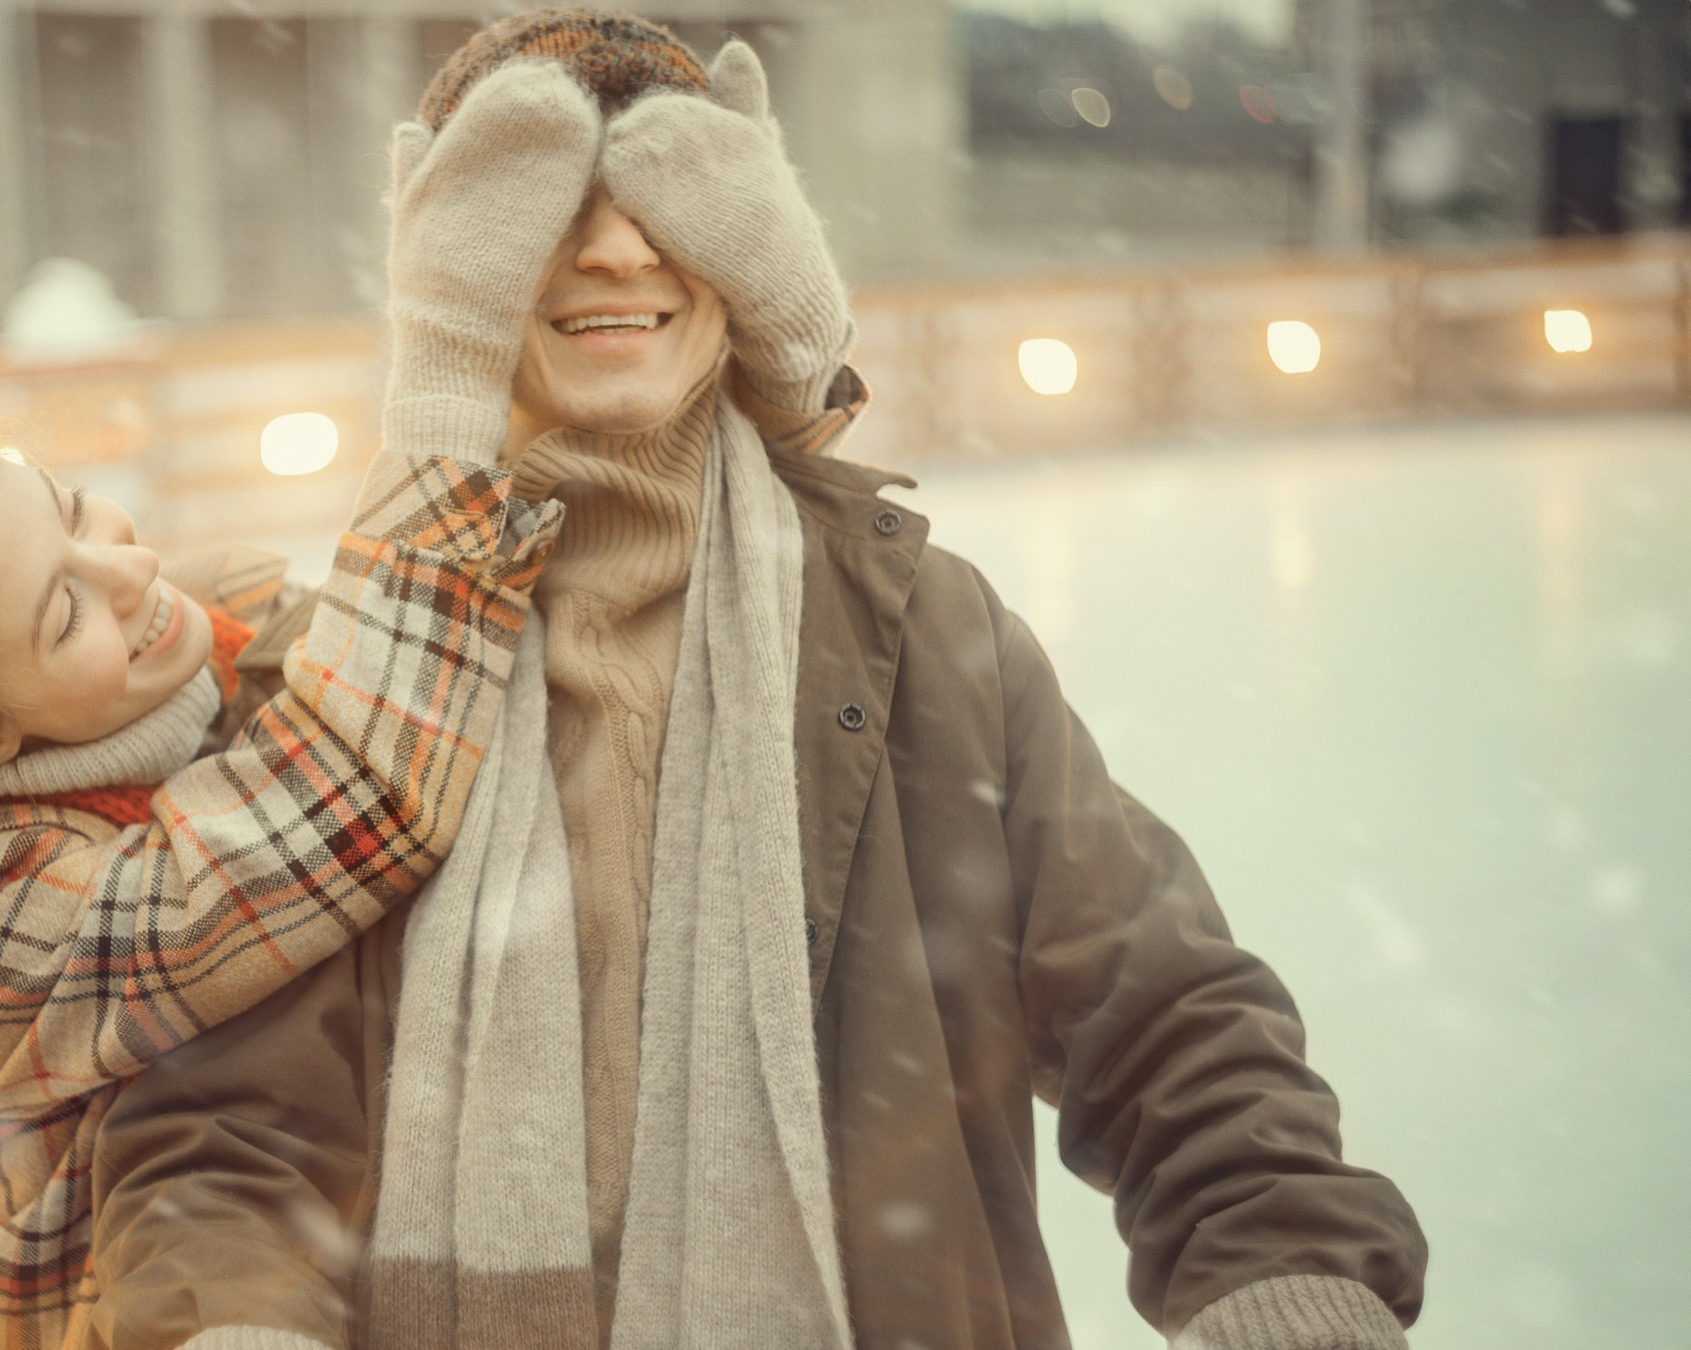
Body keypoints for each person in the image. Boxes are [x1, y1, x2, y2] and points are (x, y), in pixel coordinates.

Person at [82, 10, 1428, 1350]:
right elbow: (225, 1129)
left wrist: (1283, 1285)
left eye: (669, 200)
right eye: (546, 209)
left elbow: (1170, 1020)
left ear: (747, 248)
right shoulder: (343, 686)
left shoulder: (921, 642)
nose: (615, 248)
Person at [0, 403, 561, 1348]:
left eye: (75, 509)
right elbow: (321, 823)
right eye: (66, 613)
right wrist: (461, 468)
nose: (133, 571)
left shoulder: (215, 624)